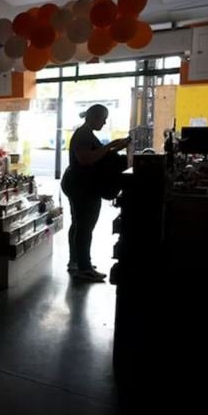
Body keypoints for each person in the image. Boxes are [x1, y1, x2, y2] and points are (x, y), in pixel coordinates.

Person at [61, 105, 130, 282]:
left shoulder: (86, 133)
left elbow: (96, 156)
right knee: (85, 227)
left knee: (78, 224)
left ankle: (76, 261)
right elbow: (85, 159)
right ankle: (84, 268)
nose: (105, 122)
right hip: (82, 186)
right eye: (103, 118)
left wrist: (114, 148)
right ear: (94, 117)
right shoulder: (83, 135)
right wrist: (110, 146)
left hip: (77, 183)